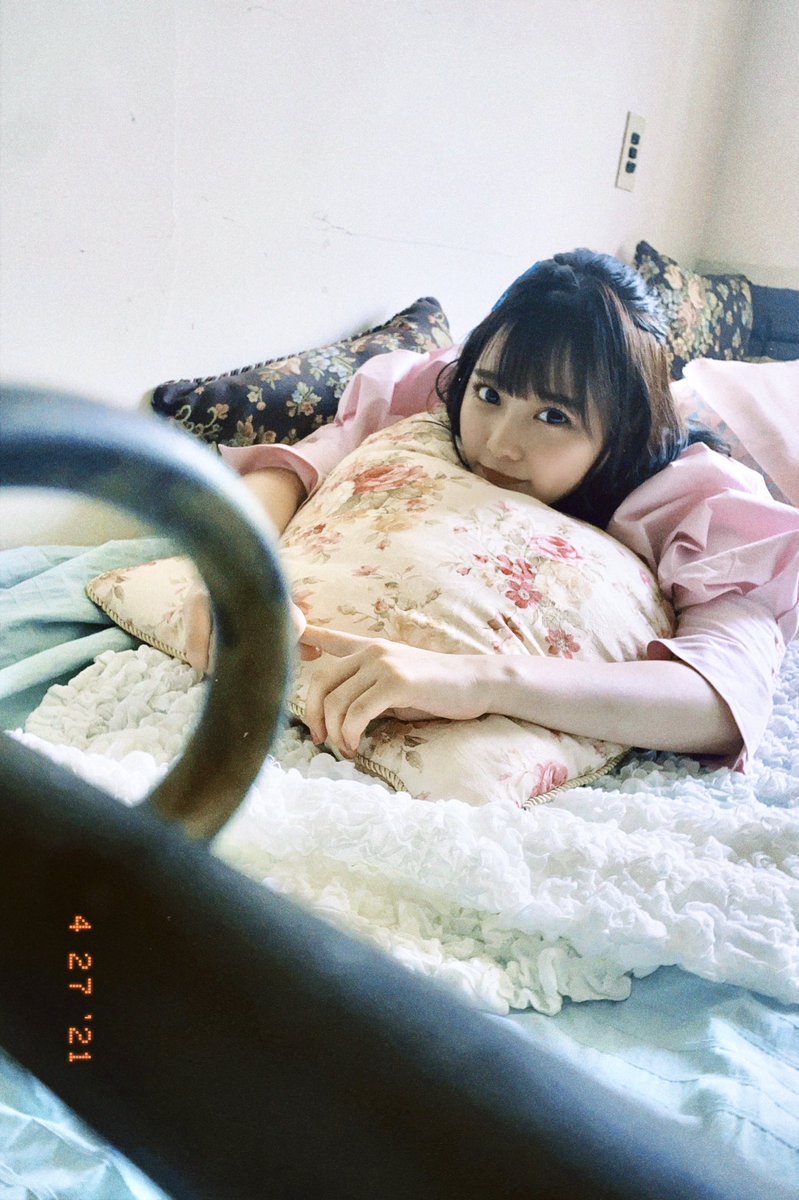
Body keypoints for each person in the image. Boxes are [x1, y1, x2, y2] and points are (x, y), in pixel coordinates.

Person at [185, 249, 799, 770]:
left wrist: (479, 679)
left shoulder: (701, 506)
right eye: (491, 394)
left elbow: (720, 700)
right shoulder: (439, 392)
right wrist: (231, 570)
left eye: (553, 416)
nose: (501, 443)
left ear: (622, 431)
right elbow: (294, 467)